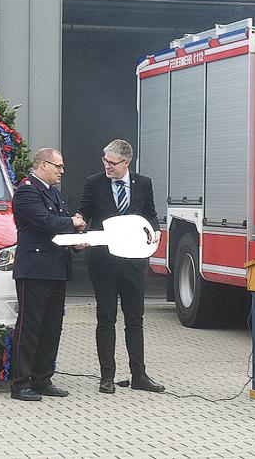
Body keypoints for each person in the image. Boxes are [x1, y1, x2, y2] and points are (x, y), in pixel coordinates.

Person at [78, 139, 164, 394]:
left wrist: (156, 230)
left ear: (126, 163)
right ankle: (107, 376)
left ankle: (139, 375)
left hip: (134, 260)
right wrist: (79, 226)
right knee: (106, 317)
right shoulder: (93, 183)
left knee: (135, 318)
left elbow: (149, 213)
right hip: (103, 260)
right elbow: (84, 212)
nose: (107, 166)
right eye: (104, 161)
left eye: (112, 163)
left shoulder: (144, 183)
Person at [9, 148, 87, 401]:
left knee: (52, 327)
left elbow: (58, 227)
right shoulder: (27, 191)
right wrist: (73, 223)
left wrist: (75, 240)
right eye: (58, 166)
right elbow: (44, 222)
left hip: (55, 268)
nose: (62, 172)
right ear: (43, 165)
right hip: (35, 269)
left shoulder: (53, 192)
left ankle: (43, 378)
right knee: (30, 327)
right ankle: (21, 383)